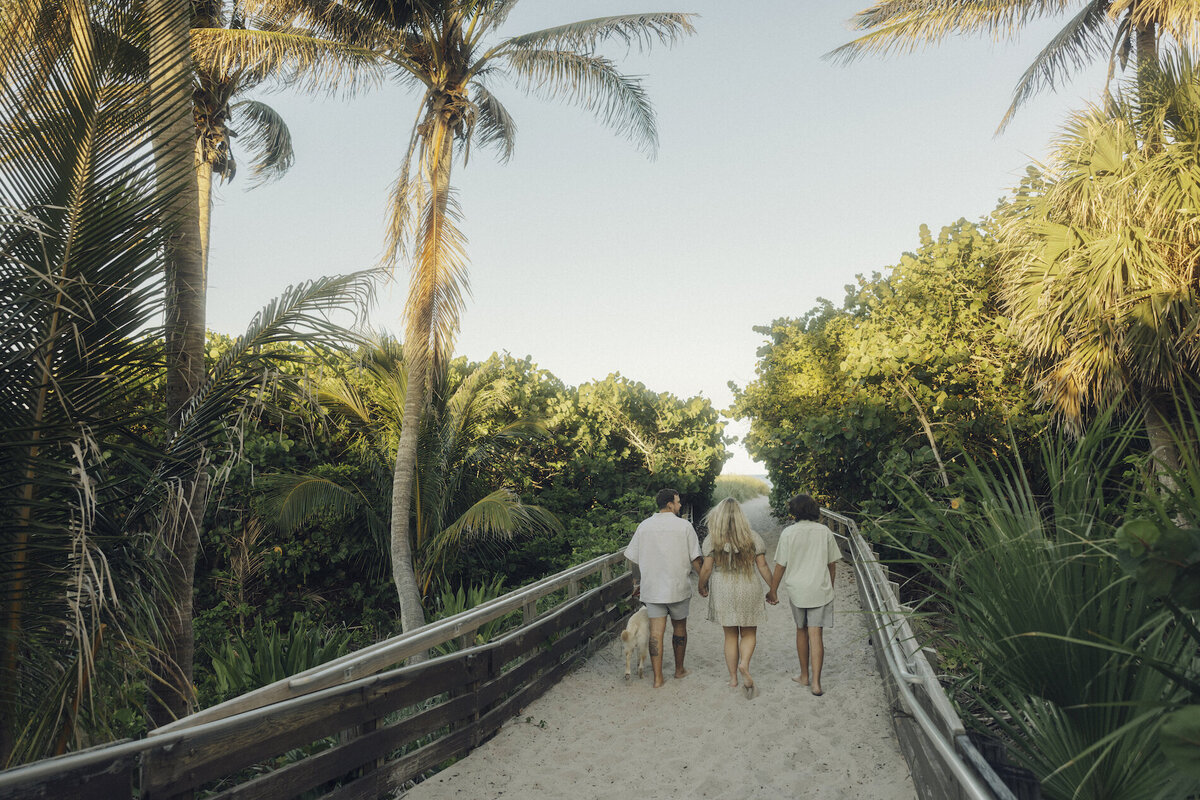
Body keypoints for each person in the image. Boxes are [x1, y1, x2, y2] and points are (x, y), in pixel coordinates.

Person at [696, 498, 776, 699]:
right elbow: (763, 566)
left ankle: (733, 678)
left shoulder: (713, 539)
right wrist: (773, 589)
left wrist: (701, 585)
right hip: (748, 585)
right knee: (749, 633)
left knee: (730, 635)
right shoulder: (752, 537)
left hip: (723, 587)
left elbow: (706, 568)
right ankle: (744, 664)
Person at [624, 488, 702, 688]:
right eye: (677, 502)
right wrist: (704, 580)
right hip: (678, 588)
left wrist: (637, 581)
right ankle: (679, 670)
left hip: (653, 589)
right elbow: (695, 558)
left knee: (656, 633)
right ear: (669, 504)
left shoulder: (644, 526)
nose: (679, 505)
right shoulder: (684, 526)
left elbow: (633, 557)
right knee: (680, 628)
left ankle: (658, 678)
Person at [766, 494, 840, 696]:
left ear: (794, 512)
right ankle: (816, 683)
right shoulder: (824, 532)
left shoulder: (788, 533)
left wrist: (773, 590)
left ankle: (804, 676)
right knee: (816, 634)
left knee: (801, 630)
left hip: (797, 590)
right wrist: (830, 587)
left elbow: (780, 565)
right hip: (820, 588)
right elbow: (832, 565)